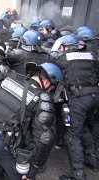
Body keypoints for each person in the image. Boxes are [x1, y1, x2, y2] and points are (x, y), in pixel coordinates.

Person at [0, 62, 64, 180]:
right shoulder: (41, 99)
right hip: (0, 141)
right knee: (21, 177)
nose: (50, 91)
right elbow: (44, 138)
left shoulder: (9, 76)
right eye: (52, 88)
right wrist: (34, 166)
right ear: (48, 82)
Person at [50, 35, 99, 180]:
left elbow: (52, 61)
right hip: (95, 96)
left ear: (65, 47)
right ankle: (92, 159)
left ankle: (78, 174)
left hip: (80, 99)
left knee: (72, 135)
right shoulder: (91, 56)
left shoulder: (64, 58)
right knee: (83, 126)